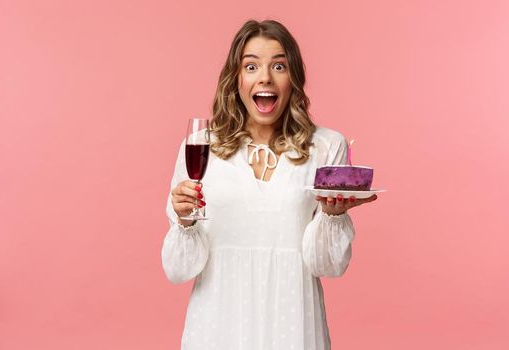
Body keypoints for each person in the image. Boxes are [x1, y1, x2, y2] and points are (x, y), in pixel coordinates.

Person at [162, 19, 378, 350]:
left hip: (292, 321)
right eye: (251, 66)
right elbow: (178, 270)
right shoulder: (200, 146)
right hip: (217, 323)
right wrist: (185, 222)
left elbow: (329, 266)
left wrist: (332, 216)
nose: (265, 77)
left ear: (293, 79)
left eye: (279, 65)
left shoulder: (325, 147)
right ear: (236, 80)